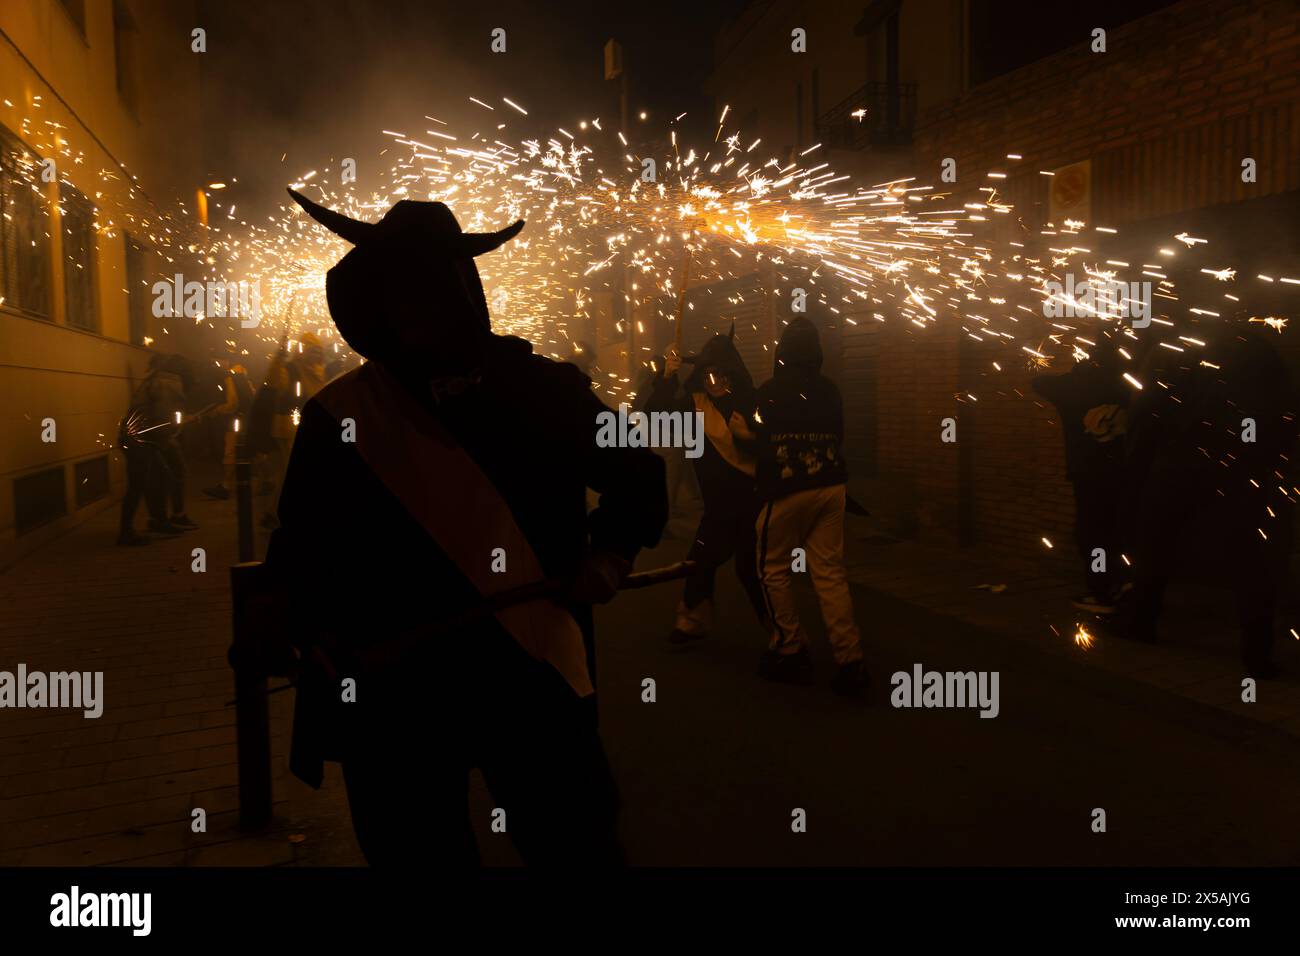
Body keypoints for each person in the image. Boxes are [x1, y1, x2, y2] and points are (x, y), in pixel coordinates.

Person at [264, 188, 667, 866]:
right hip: (396, 695)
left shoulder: (548, 389)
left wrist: (610, 555)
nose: (412, 305)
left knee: (575, 848)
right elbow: (302, 543)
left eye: (427, 284)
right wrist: (300, 629)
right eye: (395, 287)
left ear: (461, 285)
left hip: (531, 666)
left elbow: (637, 477)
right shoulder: (340, 415)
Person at [1125, 320, 1296, 677]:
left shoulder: (1183, 362)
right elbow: (1281, 419)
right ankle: (1257, 656)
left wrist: (1140, 464)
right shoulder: (1264, 364)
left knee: (1155, 547)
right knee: (1252, 563)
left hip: (1179, 467)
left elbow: (1147, 413)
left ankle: (1141, 623)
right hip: (1239, 472)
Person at [751, 318, 867, 694]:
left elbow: (757, 439)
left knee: (772, 568)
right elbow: (840, 436)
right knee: (830, 573)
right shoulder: (831, 390)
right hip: (832, 487)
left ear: (781, 354)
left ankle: (790, 649)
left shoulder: (769, 391)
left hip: (787, 489)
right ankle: (850, 662)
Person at [643, 324, 768, 642]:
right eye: (709, 375)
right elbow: (655, 417)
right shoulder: (695, 405)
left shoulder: (752, 403)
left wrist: (747, 438)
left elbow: (771, 447)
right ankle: (691, 622)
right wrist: (667, 377)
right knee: (699, 562)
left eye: (723, 375)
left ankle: (782, 634)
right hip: (717, 508)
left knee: (750, 571)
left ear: (733, 374)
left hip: (752, 503)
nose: (716, 382)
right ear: (701, 376)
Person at [1031, 335, 1129, 613]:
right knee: (1121, 528)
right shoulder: (1128, 384)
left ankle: (1101, 592)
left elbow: (1038, 381)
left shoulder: (1073, 385)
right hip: (1124, 471)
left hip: (1088, 473)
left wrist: (1075, 369)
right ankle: (1124, 582)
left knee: (1092, 534)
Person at [260, 332, 328, 528]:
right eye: (312, 351)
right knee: (290, 472)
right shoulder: (289, 369)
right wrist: (279, 357)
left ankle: (275, 511)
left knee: (289, 472)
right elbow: (272, 383)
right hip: (288, 428)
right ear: (303, 351)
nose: (316, 355)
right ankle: (275, 513)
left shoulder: (316, 371)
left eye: (318, 351)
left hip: (306, 427)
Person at [202, 362, 255, 501]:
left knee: (230, 452)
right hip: (248, 420)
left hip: (235, 420)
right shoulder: (246, 379)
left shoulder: (229, 378)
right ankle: (266, 481)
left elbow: (232, 402)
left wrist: (217, 411)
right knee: (252, 452)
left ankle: (225, 487)